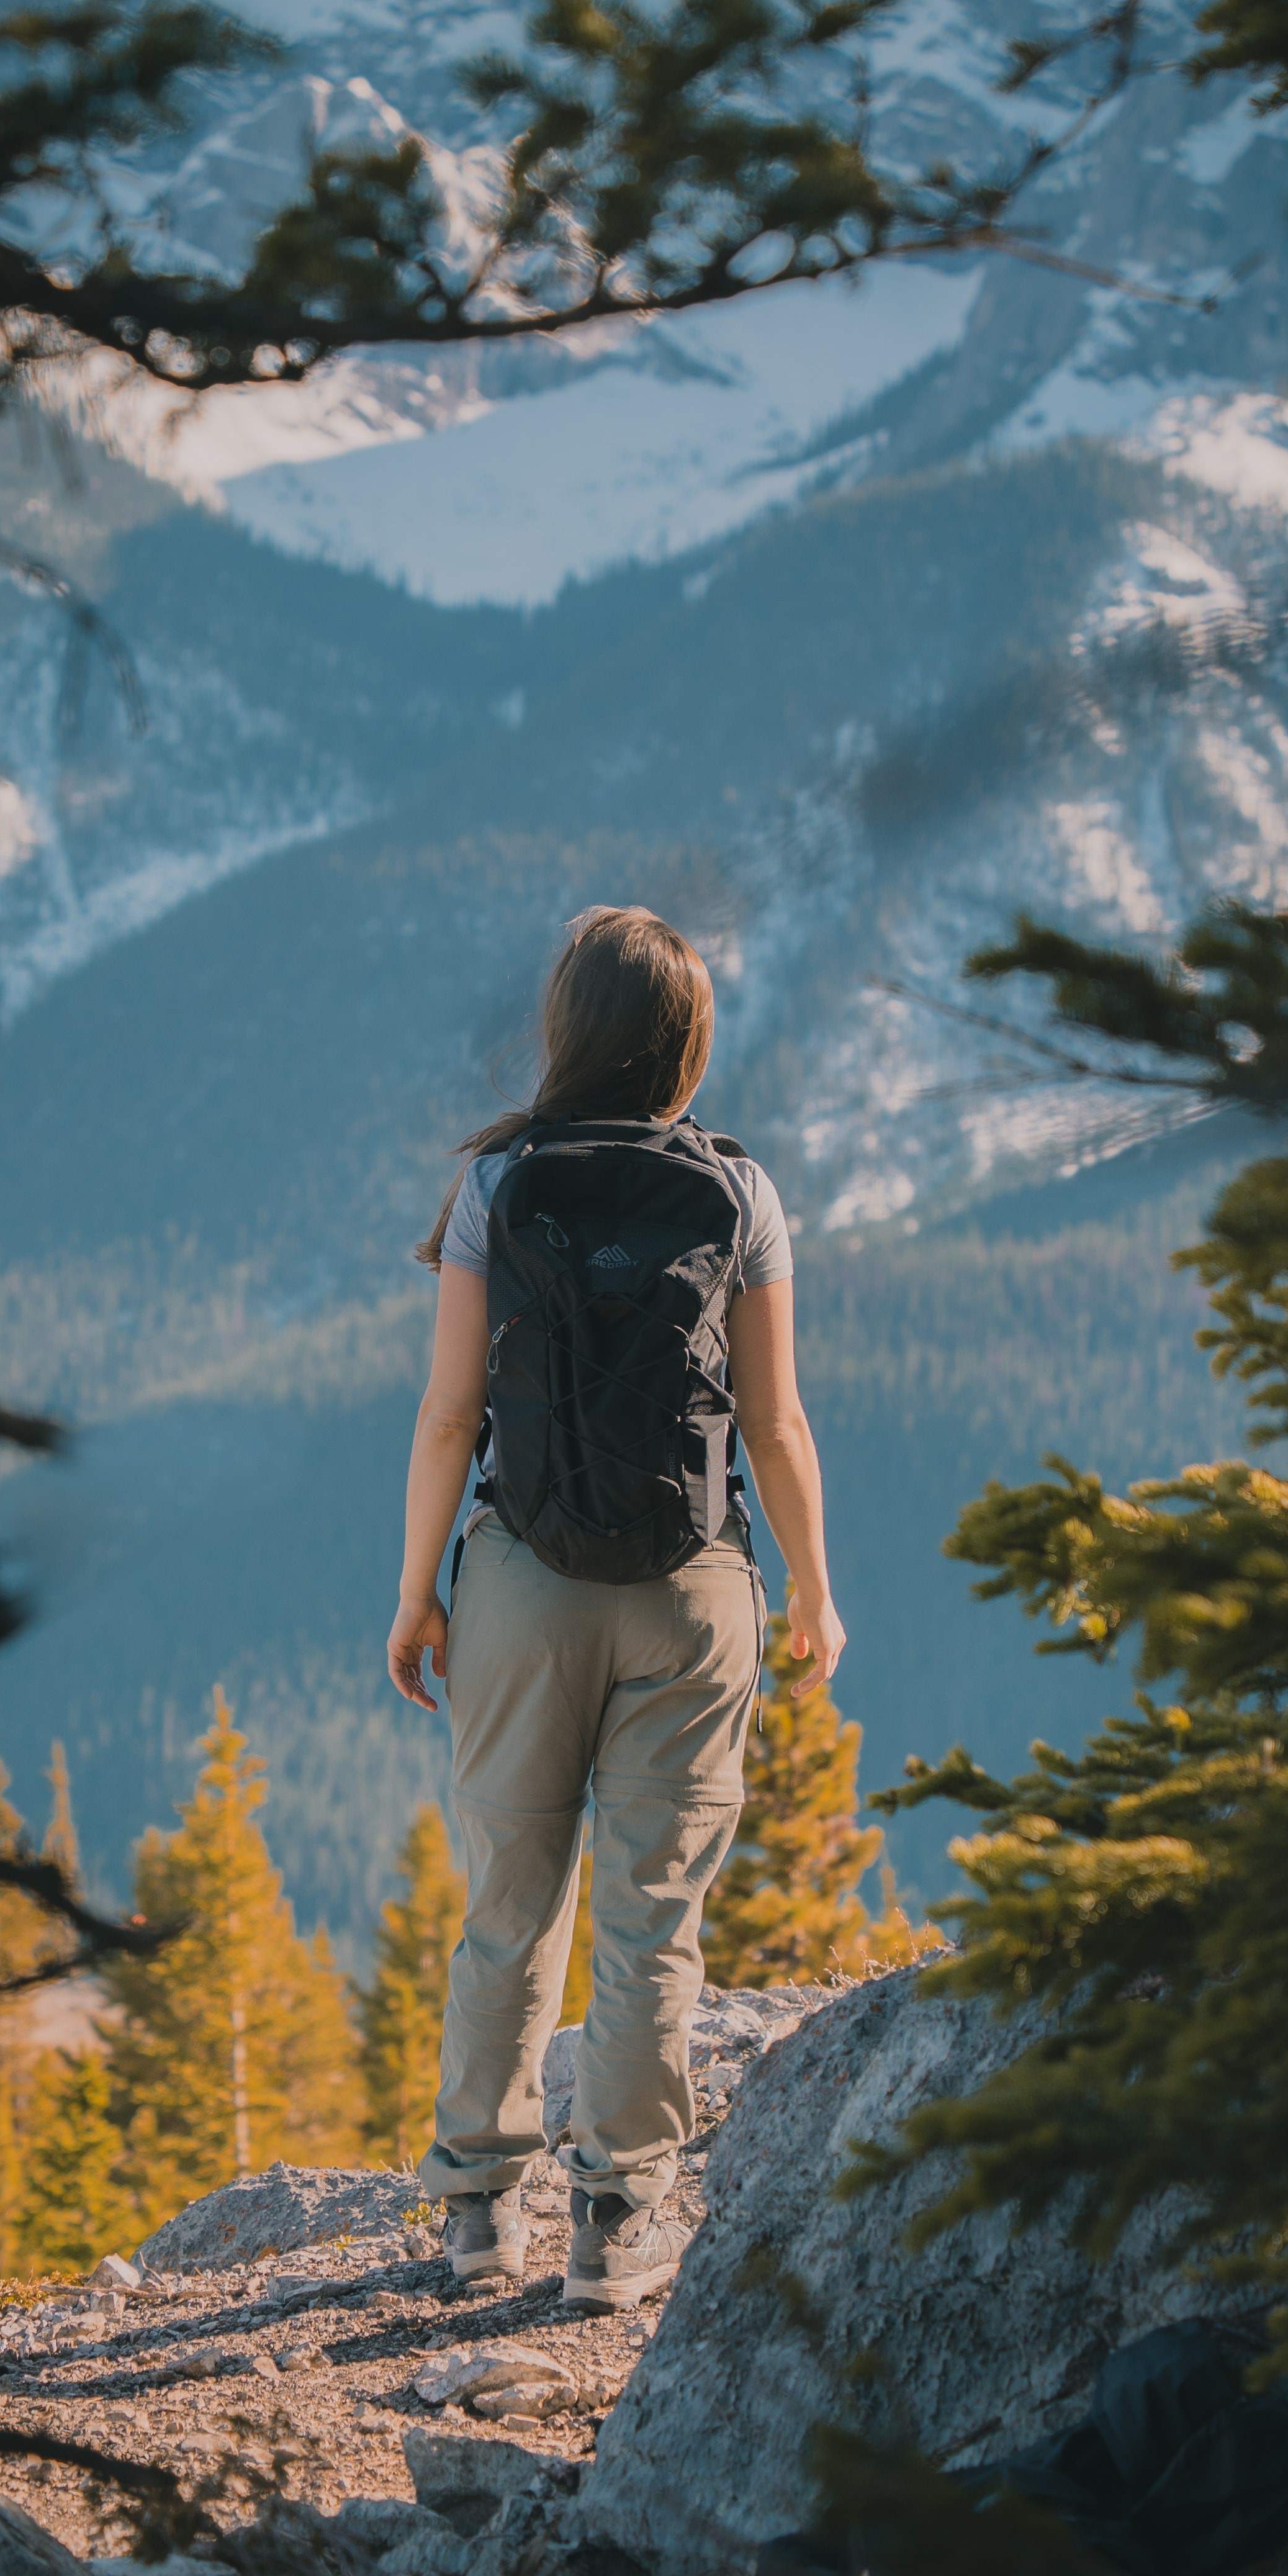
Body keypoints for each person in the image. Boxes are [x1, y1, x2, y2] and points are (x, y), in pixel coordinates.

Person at [385, 904, 845, 2311]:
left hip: (521, 1581)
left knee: (510, 1900)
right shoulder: (738, 1190)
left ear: (565, 1030)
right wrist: (816, 1590)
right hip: (692, 1586)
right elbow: (771, 1420)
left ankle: (476, 2213)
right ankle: (614, 2223)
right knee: (654, 1912)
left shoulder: (500, 1185)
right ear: (687, 1043)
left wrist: (418, 1594)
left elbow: (452, 1410)